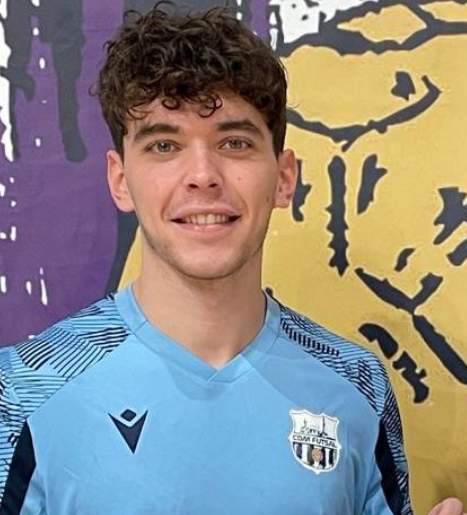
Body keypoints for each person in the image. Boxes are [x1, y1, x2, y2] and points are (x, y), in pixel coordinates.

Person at [0, 5, 413, 514]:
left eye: (234, 143)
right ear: (120, 180)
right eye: (164, 145)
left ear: (284, 177)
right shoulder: (24, 389)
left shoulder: (357, 385)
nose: (202, 175)